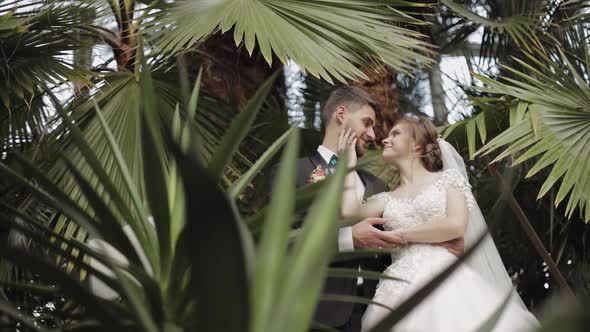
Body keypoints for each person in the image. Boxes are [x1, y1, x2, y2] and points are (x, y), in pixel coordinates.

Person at [269, 86, 463, 332]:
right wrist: (349, 238)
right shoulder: (294, 173)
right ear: (341, 114)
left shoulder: (378, 186)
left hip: (380, 311)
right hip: (316, 314)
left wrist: (433, 244)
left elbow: (389, 239)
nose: (373, 135)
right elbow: (281, 242)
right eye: (367, 123)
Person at [338, 115, 539, 332]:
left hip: (445, 282)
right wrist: (347, 165)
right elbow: (350, 212)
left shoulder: (448, 180)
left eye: (395, 134)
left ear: (416, 145)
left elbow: (454, 225)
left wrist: (400, 236)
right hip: (396, 291)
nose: (385, 140)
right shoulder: (386, 198)